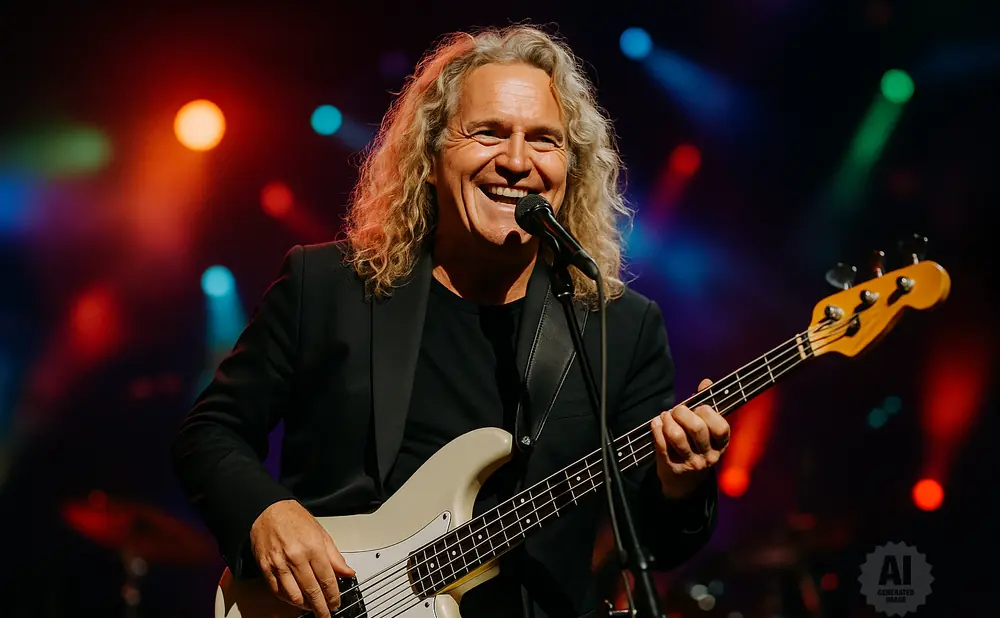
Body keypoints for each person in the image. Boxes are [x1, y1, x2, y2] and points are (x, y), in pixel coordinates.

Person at [171, 24, 731, 618]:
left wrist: (681, 484)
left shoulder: (621, 327)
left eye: (544, 141)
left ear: (571, 169)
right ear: (431, 156)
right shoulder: (329, 287)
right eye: (488, 132)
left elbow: (653, 546)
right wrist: (265, 513)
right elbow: (209, 433)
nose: (517, 161)